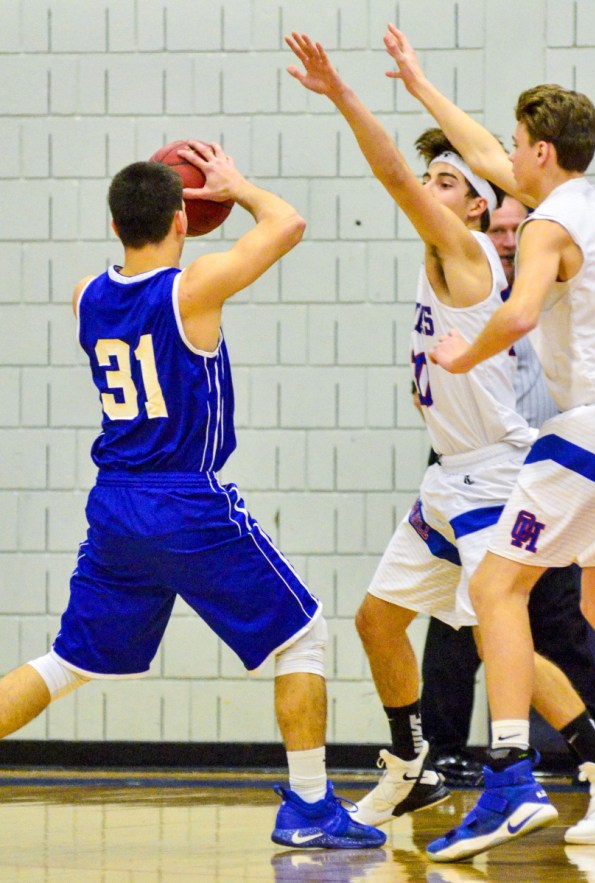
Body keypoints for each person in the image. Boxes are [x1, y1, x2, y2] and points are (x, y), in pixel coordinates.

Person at [285, 33, 595, 847]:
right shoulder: (440, 246)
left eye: (448, 182)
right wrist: (419, 83)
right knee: (379, 621)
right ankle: (414, 761)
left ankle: (586, 768)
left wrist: (345, 95)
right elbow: (476, 150)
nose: (429, 187)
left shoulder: (467, 258)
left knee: (503, 629)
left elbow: (390, 174)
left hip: (495, 471)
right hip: (448, 477)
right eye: (432, 176)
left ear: (478, 209)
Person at [383, 23, 595, 861]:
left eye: (513, 145)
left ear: (539, 150)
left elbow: (522, 310)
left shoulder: (544, 229)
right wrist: (422, 84)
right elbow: (477, 146)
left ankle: (508, 777)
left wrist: (464, 351)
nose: (503, 157)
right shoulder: (592, 203)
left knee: (496, 589)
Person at [0, 146, 385, 852]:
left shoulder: (88, 293)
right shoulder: (192, 289)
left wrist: (188, 207)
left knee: (69, 662)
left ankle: (310, 802)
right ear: (182, 218)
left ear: (114, 225)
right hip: (184, 499)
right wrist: (237, 188)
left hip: (115, 504)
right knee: (302, 634)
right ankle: (308, 804)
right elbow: (288, 222)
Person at [421, 196, 595, 787]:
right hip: (472, 468)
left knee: (558, 620)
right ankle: (445, 751)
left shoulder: (557, 294)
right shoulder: (464, 283)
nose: (509, 239)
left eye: (518, 230)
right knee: (454, 618)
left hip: (542, 472)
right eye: (501, 230)